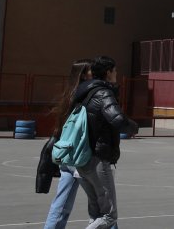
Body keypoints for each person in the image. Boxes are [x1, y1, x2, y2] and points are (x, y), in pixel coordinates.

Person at [41, 59, 118, 229]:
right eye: (92, 71)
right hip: (81, 155)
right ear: (84, 74)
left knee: (62, 204)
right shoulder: (90, 94)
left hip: (68, 153)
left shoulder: (73, 94)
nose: (95, 73)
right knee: (105, 205)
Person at [73, 56, 138, 229]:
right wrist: (133, 127)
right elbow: (117, 119)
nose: (116, 73)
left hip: (81, 159)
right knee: (109, 216)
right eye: (115, 70)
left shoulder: (82, 92)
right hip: (98, 159)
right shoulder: (103, 93)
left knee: (95, 213)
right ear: (108, 72)